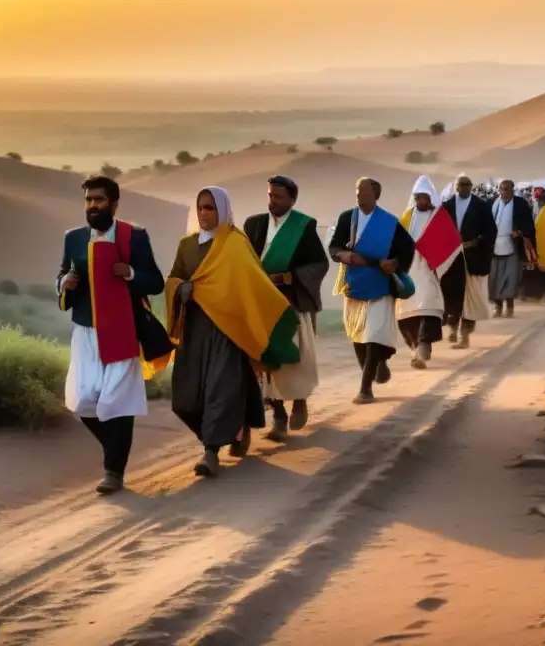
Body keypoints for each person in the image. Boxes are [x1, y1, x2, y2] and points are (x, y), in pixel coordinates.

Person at [166, 186, 299, 477]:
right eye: (200, 207)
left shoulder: (237, 243)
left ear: (222, 210)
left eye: (210, 208)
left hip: (228, 329)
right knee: (185, 398)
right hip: (194, 329)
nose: (204, 213)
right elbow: (173, 278)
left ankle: (210, 452)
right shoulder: (187, 246)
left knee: (219, 389)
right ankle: (239, 425)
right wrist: (180, 288)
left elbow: (254, 284)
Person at [56, 175, 174, 495]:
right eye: (88, 200)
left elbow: (155, 282)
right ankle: (116, 447)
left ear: (114, 203)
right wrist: (64, 284)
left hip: (122, 328)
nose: (92, 206)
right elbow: (62, 275)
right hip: (86, 331)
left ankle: (113, 471)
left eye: (99, 200)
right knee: (82, 400)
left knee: (116, 402)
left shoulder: (134, 236)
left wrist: (132, 273)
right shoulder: (74, 238)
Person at [243, 175, 329, 441]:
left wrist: (287, 277)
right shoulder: (254, 225)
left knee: (296, 359)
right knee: (269, 362)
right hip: (263, 304)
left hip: (292, 302)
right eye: (270, 195)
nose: (272, 201)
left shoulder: (303, 227)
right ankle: (278, 416)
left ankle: (300, 400)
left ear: (292, 199)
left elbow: (319, 264)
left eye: (278, 197)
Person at [329, 177, 416, 404]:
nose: (360, 196)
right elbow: (334, 247)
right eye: (357, 191)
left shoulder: (389, 222)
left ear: (376, 195)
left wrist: (395, 263)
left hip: (380, 285)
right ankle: (376, 365)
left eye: (365, 192)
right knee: (358, 338)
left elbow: (407, 248)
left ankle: (365, 388)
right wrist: (342, 254)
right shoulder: (347, 218)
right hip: (354, 283)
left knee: (373, 336)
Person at [440, 174, 496, 349]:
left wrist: (477, 241)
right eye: (460, 184)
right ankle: (452, 329)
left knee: (469, 298)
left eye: (467, 184)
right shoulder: (446, 206)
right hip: (452, 259)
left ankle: (465, 336)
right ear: (455, 186)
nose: (463, 187)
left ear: (471, 186)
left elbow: (491, 231)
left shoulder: (481, 206)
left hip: (473, 258)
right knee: (451, 294)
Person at [396, 175, 445, 369]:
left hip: (428, 270)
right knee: (405, 312)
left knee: (428, 306)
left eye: (423, 197)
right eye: (417, 197)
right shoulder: (406, 218)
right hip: (407, 270)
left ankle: (424, 344)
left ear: (430, 197)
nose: (420, 201)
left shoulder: (438, 218)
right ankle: (414, 349)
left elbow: (448, 245)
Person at [488, 179, 535, 316]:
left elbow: (529, 225)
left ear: (512, 190)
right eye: (501, 189)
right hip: (495, 246)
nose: (503, 192)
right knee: (495, 278)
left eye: (506, 189)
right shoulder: (492, 203)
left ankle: (509, 307)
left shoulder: (520, 204)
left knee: (511, 278)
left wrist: (519, 232)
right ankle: (498, 307)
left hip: (513, 246)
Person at [521, 187, 545, 301]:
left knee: (542, 270)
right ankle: (541, 293)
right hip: (541, 245)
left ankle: (542, 293)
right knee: (540, 270)